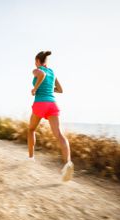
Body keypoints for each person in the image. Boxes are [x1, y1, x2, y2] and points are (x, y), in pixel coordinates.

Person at [28, 51, 74, 181]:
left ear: (37, 60)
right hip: (52, 104)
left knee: (31, 129)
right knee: (59, 134)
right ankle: (68, 164)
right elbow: (60, 90)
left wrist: (35, 89)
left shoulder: (37, 70)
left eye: (35, 61)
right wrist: (48, 89)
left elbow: (41, 75)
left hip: (40, 103)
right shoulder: (52, 73)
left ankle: (31, 159)